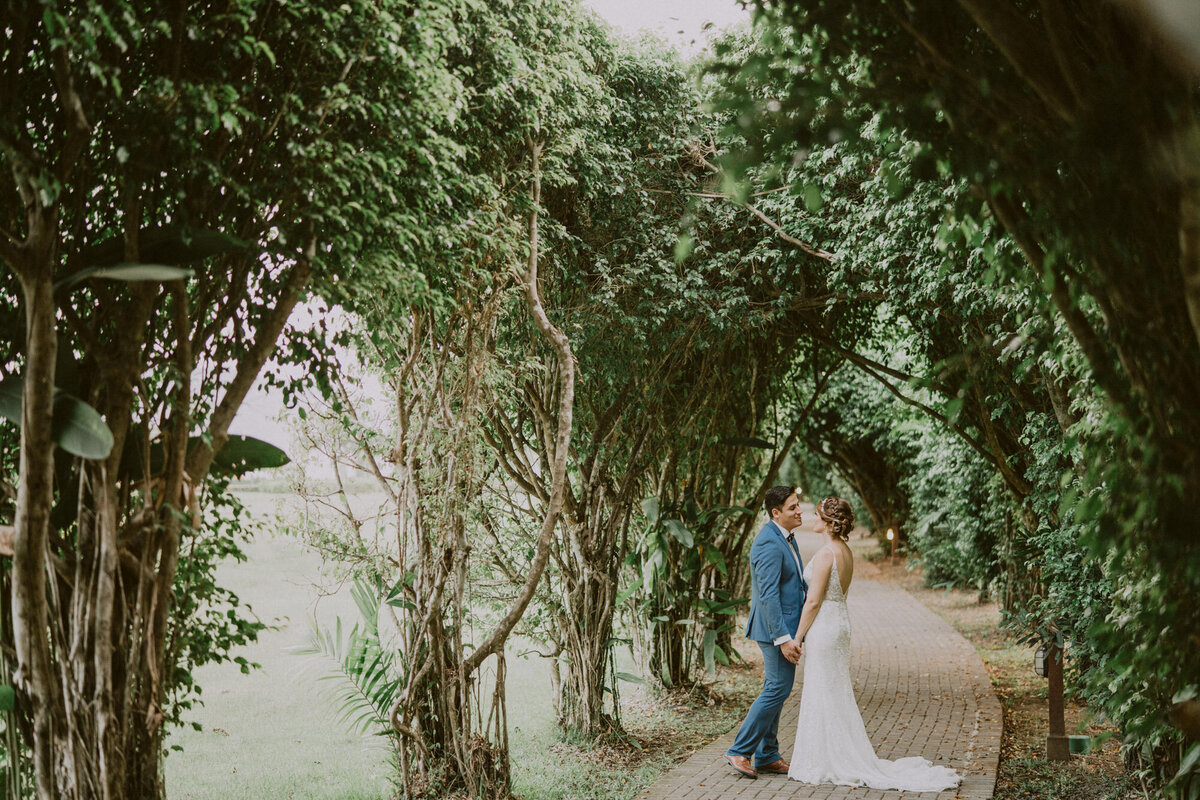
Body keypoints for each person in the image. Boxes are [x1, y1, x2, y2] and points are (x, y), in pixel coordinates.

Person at [785, 497, 961, 791]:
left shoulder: (827, 553)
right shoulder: (846, 551)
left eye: (817, 516)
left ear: (829, 523)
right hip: (839, 621)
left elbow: (814, 600)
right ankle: (832, 752)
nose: (813, 519)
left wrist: (798, 636)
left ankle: (828, 757)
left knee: (823, 688)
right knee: (833, 688)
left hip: (825, 625)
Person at [723, 485, 807, 779]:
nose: (799, 510)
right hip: (774, 630)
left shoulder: (785, 537)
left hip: (784, 628)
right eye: (792, 507)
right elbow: (768, 595)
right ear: (776, 513)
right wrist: (783, 638)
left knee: (778, 689)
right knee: (776, 688)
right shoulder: (769, 543)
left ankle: (768, 755)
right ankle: (739, 750)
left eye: (798, 505)